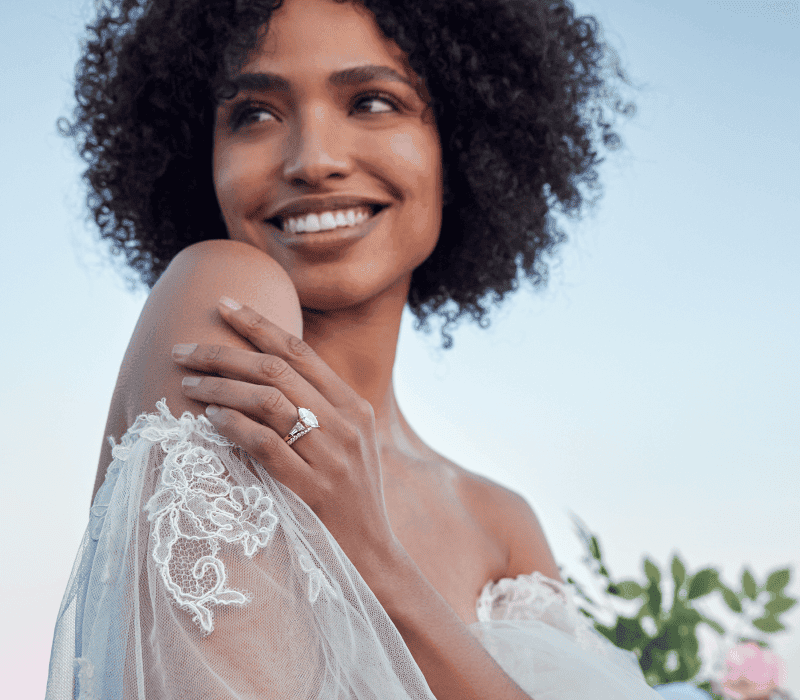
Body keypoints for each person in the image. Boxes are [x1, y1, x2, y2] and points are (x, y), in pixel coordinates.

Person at [46, 0, 664, 697]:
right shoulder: (222, 295)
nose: (314, 160)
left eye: (372, 101)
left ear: (460, 145)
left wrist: (377, 561)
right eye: (253, 113)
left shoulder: (502, 522)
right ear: (200, 157)